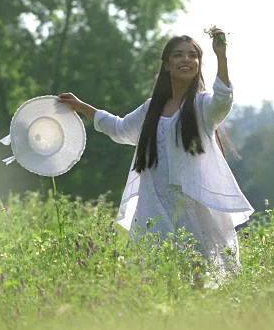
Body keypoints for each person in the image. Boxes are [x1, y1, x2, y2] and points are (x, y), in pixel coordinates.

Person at [57, 27, 254, 280]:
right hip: (154, 203)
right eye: (178, 55)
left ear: (198, 64)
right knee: (156, 273)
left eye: (193, 56)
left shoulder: (203, 105)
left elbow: (224, 100)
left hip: (192, 205)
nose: (186, 60)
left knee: (197, 275)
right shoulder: (151, 108)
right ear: (166, 65)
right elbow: (119, 129)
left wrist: (221, 56)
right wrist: (81, 106)